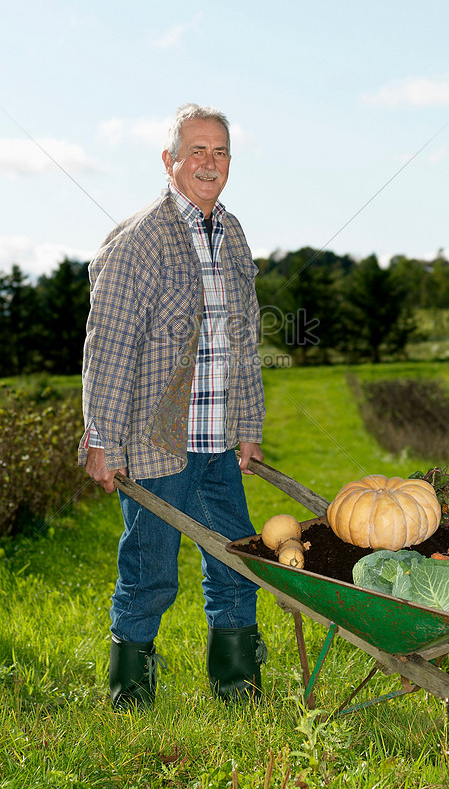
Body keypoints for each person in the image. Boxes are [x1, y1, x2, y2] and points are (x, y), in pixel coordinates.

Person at [78, 103, 267, 710]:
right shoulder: (139, 242)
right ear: (170, 161)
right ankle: (130, 692)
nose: (210, 165)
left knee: (238, 562)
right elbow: (107, 346)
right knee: (150, 567)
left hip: (217, 441)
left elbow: (246, 336)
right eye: (197, 152)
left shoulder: (231, 232)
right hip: (160, 445)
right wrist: (100, 439)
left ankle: (236, 685)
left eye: (221, 153)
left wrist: (248, 426)